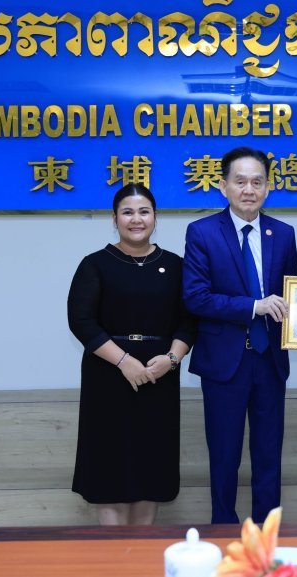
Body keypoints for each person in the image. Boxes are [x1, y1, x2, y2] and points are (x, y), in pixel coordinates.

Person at [182, 146, 297, 524]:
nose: (249, 189)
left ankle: (267, 534)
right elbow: (196, 297)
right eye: (241, 181)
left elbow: (291, 296)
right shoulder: (202, 232)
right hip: (224, 363)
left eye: (257, 182)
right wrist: (254, 306)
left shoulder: (283, 233)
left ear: (268, 187)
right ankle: (223, 531)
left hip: (269, 361)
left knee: (269, 455)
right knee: (224, 455)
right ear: (223, 186)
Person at [67, 183, 195, 525]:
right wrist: (124, 362)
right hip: (107, 378)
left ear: (155, 217)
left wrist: (171, 360)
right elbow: (81, 321)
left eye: (143, 212)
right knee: (108, 469)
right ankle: (113, 551)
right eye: (127, 212)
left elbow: (189, 321)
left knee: (150, 470)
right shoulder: (95, 264)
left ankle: (141, 548)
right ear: (114, 219)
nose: (136, 219)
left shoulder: (176, 265)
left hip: (158, 377)